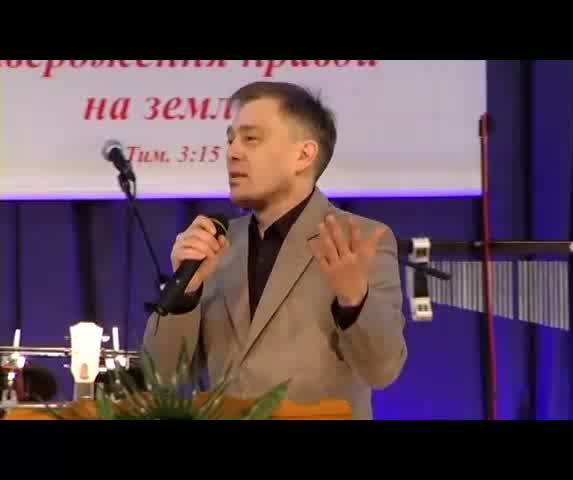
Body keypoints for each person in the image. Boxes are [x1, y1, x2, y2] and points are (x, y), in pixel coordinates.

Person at [142, 81, 408, 420]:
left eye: (251, 139)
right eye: (230, 140)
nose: (232, 152)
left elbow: (382, 370)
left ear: (303, 155)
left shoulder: (358, 240)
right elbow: (160, 377)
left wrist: (355, 301)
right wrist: (186, 293)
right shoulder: (217, 245)